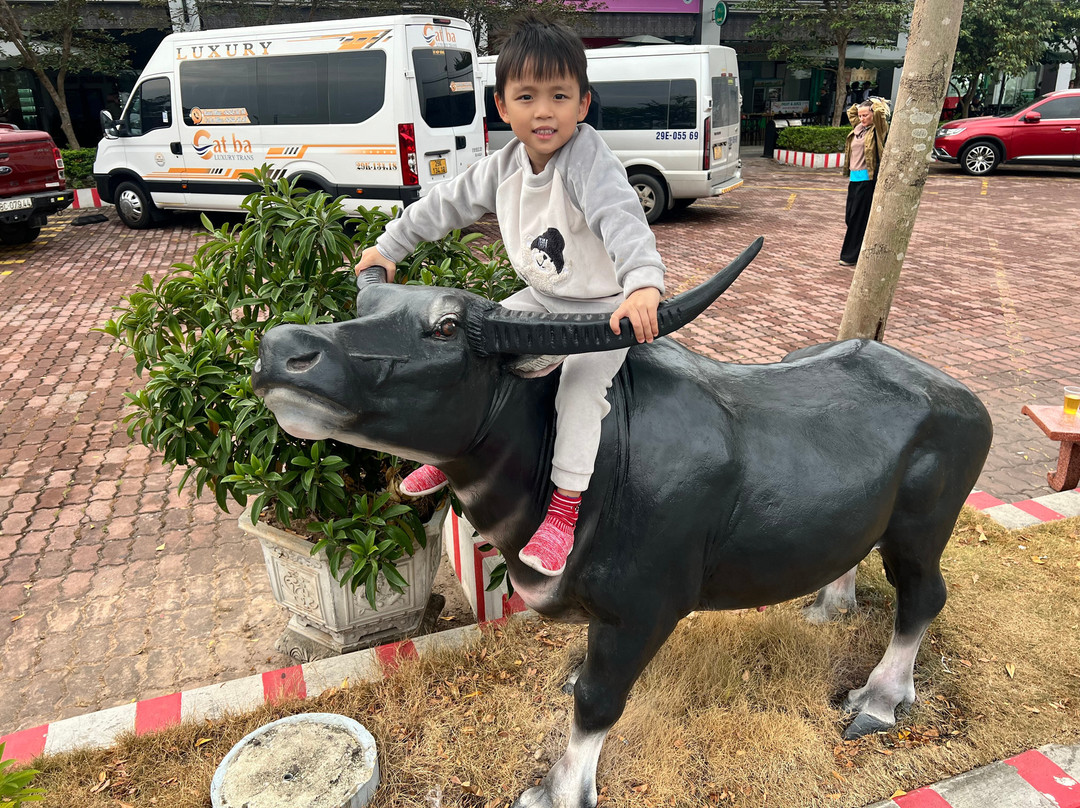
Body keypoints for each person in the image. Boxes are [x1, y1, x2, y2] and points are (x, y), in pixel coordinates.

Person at [352, 14, 666, 577]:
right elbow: (444, 203)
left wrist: (643, 283)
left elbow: (622, 220)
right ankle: (455, 452)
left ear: (583, 104)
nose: (543, 111)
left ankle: (564, 509)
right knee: (474, 345)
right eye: (526, 97)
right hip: (544, 297)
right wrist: (389, 246)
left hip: (601, 312)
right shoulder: (502, 167)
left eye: (559, 96)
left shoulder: (589, 163)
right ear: (502, 106)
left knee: (578, 389)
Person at [839, 97, 889, 267]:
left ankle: (849, 256)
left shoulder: (878, 130)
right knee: (850, 217)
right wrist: (862, 105)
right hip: (854, 179)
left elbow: (880, 113)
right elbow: (851, 112)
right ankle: (865, 247)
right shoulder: (858, 128)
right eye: (860, 116)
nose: (862, 118)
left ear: (873, 114)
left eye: (865, 115)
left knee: (857, 219)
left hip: (868, 180)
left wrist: (875, 102)